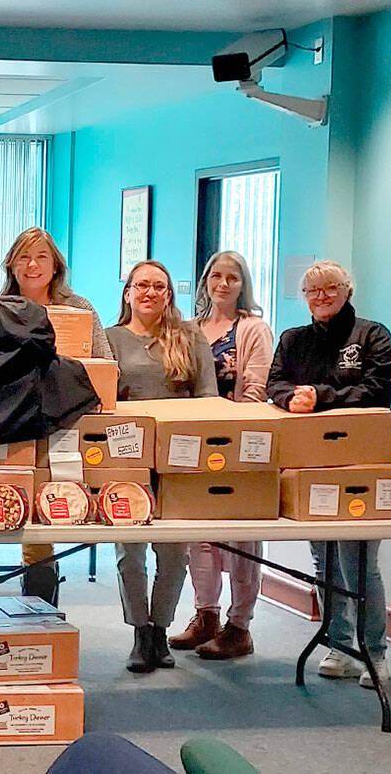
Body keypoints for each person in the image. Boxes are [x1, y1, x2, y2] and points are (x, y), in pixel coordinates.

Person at [267, 259, 391, 688]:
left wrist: (319, 396)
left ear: (347, 291)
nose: (322, 297)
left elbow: (375, 389)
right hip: (309, 466)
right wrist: (291, 399)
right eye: (313, 291)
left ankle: (374, 654)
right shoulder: (293, 339)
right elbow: (275, 384)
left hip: (363, 463)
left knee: (358, 562)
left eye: (331, 288)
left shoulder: (372, 335)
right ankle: (338, 645)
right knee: (323, 558)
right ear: (304, 297)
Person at [106, 260, 217, 673]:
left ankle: (160, 628)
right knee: (130, 554)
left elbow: (208, 398)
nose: (149, 292)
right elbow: (103, 400)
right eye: (142, 285)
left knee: (174, 553)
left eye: (159, 286)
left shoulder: (189, 337)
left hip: (179, 459)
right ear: (128, 293)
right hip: (127, 457)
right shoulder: (110, 338)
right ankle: (139, 631)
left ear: (169, 294)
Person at [169, 252, 274, 660]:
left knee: (242, 538)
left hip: (240, 443)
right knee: (200, 538)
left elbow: (257, 386)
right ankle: (205, 617)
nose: (224, 284)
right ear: (206, 282)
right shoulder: (190, 328)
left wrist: (235, 432)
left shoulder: (253, 328)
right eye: (216, 276)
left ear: (243, 284)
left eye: (233, 277)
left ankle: (240, 626)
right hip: (197, 444)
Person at [1, 227, 114, 606]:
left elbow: (105, 364)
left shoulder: (79, 309)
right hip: (13, 421)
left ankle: (44, 600)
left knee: (54, 497)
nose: (32, 265)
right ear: (12, 265)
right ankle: (38, 595)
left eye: (42, 257)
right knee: (25, 504)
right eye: (24, 257)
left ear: (56, 267)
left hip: (68, 419)